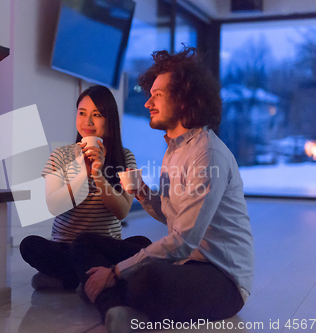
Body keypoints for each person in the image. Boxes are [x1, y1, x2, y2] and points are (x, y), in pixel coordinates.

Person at [70, 47, 255, 332]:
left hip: (221, 279)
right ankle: (115, 304)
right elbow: (173, 216)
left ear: (183, 100)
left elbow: (182, 241)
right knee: (86, 243)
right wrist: (144, 193)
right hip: (183, 263)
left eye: (157, 95)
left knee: (146, 278)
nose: (147, 103)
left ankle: (104, 294)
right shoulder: (173, 148)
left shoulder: (207, 154)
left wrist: (117, 272)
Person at [20, 85, 151, 290]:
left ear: (110, 120)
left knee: (143, 243)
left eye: (96, 115)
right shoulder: (60, 155)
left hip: (103, 246)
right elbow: (53, 206)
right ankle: (102, 277)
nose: (87, 122)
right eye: (82, 113)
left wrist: (98, 175)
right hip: (67, 247)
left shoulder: (125, 157)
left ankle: (70, 280)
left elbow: (123, 211)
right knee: (29, 245)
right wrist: (82, 172)